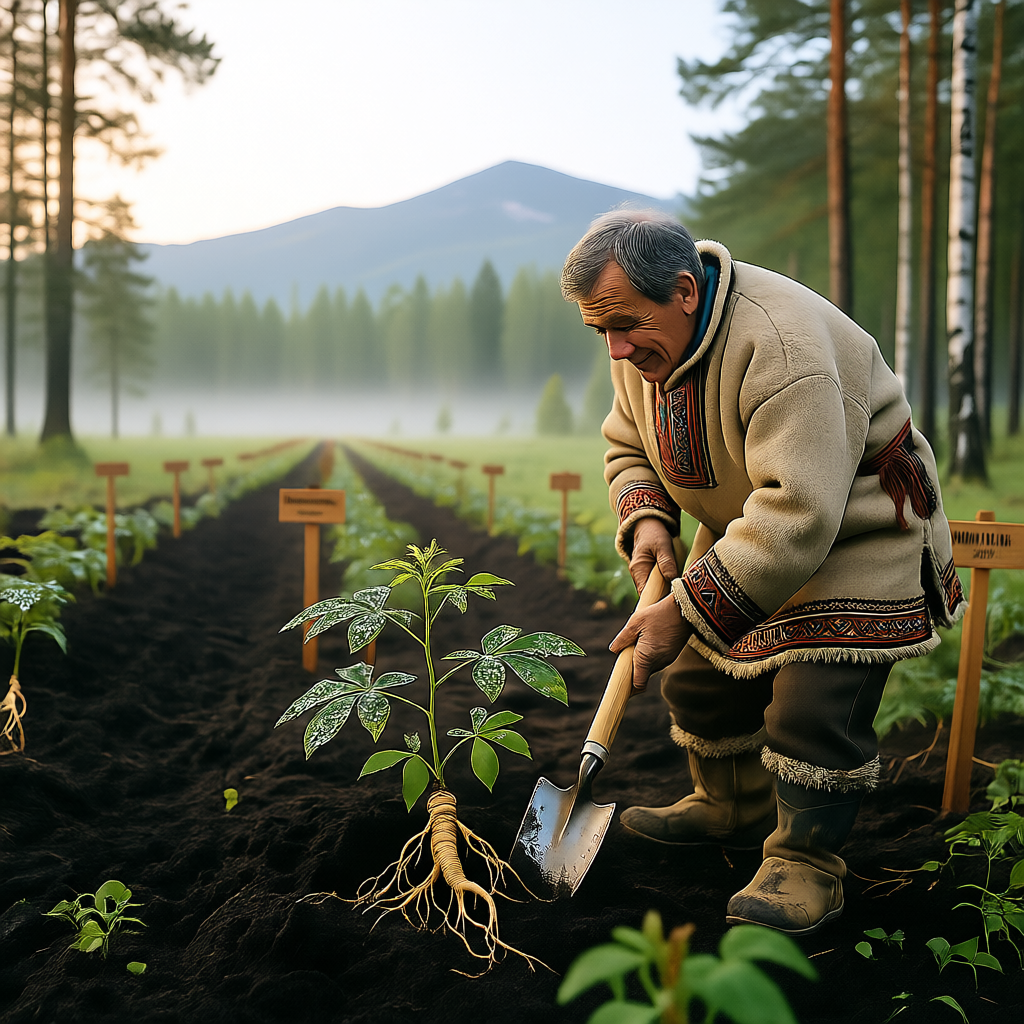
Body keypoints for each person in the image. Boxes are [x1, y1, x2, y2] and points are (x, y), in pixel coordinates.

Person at [561, 210, 965, 935]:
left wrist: (684, 608)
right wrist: (650, 517)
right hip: (751, 521)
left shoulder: (783, 347)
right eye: (601, 332)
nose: (616, 348)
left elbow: (801, 511)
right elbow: (627, 440)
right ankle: (732, 808)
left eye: (623, 325)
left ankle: (806, 864)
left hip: (853, 526)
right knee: (695, 677)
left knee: (813, 709)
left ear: (684, 291)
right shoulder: (640, 343)